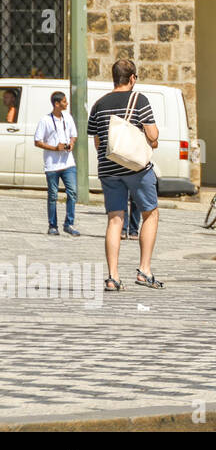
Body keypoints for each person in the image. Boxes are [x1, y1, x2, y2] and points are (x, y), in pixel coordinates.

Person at [87, 59, 163, 291]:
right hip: (136, 168)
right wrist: (153, 139)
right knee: (150, 213)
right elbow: (152, 133)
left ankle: (113, 276)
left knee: (115, 219)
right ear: (132, 78)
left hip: (108, 169)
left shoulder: (99, 104)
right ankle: (144, 270)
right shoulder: (139, 100)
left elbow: (98, 142)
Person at [34, 91, 79, 236]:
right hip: (52, 164)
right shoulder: (45, 120)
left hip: (68, 162)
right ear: (57, 104)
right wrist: (54, 148)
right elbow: (37, 141)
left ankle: (69, 224)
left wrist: (71, 144)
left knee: (72, 192)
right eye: (64, 101)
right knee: (53, 195)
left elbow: (74, 135)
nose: (67, 103)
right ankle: (52, 225)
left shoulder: (68, 117)